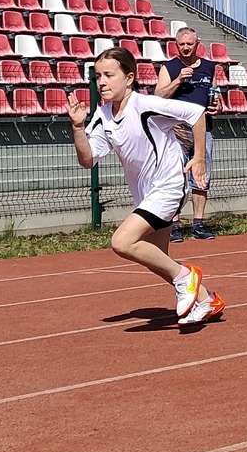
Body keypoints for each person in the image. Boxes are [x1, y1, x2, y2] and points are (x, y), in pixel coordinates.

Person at [69, 47, 224, 326]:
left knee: (122, 242)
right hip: (145, 194)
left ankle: (186, 278)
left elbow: (196, 114)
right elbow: (87, 160)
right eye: (97, 77)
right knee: (158, 258)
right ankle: (206, 299)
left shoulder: (146, 104)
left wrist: (199, 157)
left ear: (129, 78)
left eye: (108, 75)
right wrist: (78, 129)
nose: (101, 82)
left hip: (169, 186)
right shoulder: (103, 115)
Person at [155, 27, 220, 241]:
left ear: (197, 44)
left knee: (201, 178)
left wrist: (218, 106)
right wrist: (178, 81)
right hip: (176, 130)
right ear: (176, 45)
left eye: (189, 44)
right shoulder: (170, 67)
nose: (185, 48)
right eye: (181, 44)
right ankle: (174, 226)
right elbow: (158, 95)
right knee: (175, 177)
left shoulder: (209, 67)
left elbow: (214, 93)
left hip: (203, 129)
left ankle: (198, 224)